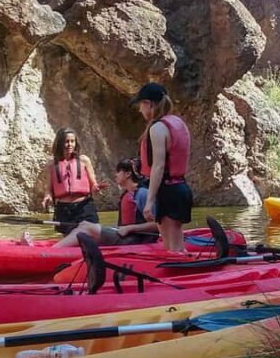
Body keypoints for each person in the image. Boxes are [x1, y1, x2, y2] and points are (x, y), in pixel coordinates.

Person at [131, 83, 193, 252]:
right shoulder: (177, 122)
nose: (140, 110)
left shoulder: (158, 128)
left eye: (141, 105)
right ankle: (182, 268)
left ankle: (181, 276)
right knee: (175, 244)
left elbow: (158, 166)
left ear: (149, 104)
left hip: (169, 190)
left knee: (173, 247)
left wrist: (149, 201)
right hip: (179, 187)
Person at [51, 158, 159, 248]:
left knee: (87, 228)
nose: (115, 175)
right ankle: (57, 249)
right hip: (127, 237)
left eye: (118, 172)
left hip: (136, 242)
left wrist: (131, 228)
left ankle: (52, 252)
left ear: (128, 174)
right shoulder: (129, 193)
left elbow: (158, 225)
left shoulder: (143, 194)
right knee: (84, 225)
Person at [41, 128, 107, 236]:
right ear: (60, 143)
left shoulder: (84, 160)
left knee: (90, 235)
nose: (69, 144)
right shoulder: (51, 165)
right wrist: (47, 197)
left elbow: (93, 184)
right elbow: (48, 189)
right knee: (69, 238)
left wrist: (97, 187)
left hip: (84, 206)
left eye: (72, 141)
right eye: (66, 141)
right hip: (64, 208)